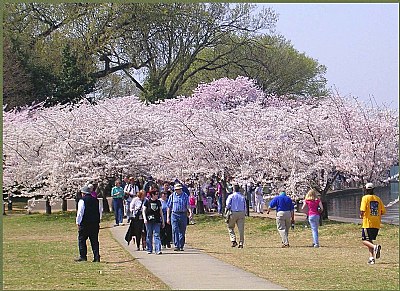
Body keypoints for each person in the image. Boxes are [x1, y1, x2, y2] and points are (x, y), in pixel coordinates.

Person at [360, 182, 386, 265]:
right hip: (376, 224)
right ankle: (371, 258)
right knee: (369, 240)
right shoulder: (378, 199)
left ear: (366, 190)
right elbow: (383, 211)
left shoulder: (365, 198)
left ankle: (375, 247)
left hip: (368, 223)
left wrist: (361, 215)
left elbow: (362, 210)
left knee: (364, 240)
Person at [75, 185, 102, 262]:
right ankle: (96, 257)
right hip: (94, 223)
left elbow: (80, 212)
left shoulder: (82, 201)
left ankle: (83, 256)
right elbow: (100, 211)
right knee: (94, 240)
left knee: (82, 240)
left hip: (85, 223)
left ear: (83, 193)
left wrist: (78, 222)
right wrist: (98, 220)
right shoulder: (96, 200)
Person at [167, 183, 193, 251]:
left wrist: (190, 212)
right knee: (175, 229)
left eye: (179, 189)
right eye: (177, 189)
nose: (178, 190)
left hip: (183, 214)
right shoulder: (172, 196)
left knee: (182, 230)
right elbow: (169, 207)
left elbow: (188, 205)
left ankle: (181, 245)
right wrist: (168, 217)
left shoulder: (185, 196)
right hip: (174, 214)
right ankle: (176, 245)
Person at [225, 182, 246, 248]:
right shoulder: (242, 197)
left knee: (230, 227)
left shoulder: (231, 196)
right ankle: (241, 243)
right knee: (241, 229)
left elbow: (227, 205)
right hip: (241, 213)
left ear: (233, 189)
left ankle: (233, 240)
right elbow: (245, 206)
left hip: (233, 213)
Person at [142, 189, 164, 254]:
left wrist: (162, 221)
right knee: (149, 234)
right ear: (152, 195)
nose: (157, 195)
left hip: (156, 221)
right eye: (156, 194)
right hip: (148, 221)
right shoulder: (147, 202)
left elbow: (161, 212)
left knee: (157, 234)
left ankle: (158, 249)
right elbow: (143, 211)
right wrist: (145, 219)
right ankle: (149, 249)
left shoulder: (158, 202)